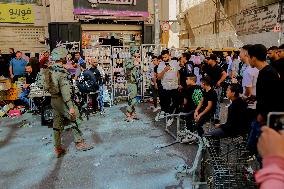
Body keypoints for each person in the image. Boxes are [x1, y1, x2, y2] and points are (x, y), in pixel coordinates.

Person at [43, 47, 93, 158]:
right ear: (62, 57)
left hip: (54, 100)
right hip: (63, 100)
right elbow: (66, 92)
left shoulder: (49, 70)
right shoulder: (62, 72)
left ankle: (57, 147)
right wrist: (70, 106)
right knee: (76, 119)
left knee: (57, 124)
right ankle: (79, 143)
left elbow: (45, 86)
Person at [247, 44, 282, 157]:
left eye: (248, 57)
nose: (248, 60)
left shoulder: (268, 73)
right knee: (253, 148)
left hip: (266, 119)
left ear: (253, 58)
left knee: (261, 152)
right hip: (263, 117)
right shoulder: (265, 71)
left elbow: (274, 97)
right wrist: (253, 98)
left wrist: (262, 115)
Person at [157, 49, 180, 126]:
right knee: (165, 103)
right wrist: (164, 70)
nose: (164, 59)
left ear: (169, 55)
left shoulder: (175, 63)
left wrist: (179, 83)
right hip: (166, 87)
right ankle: (167, 115)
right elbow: (159, 77)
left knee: (176, 102)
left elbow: (177, 73)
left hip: (174, 87)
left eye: (165, 57)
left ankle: (172, 115)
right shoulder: (161, 64)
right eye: (163, 57)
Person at [204, 54, 227, 124]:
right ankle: (210, 117)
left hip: (217, 88)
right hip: (209, 87)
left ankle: (217, 118)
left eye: (209, 59)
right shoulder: (208, 67)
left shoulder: (218, 67)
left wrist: (219, 81)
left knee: (216, 103)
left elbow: (224, 74)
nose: (208, 60)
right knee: (209, 102)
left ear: (213, 60)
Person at [181, 73, 203, 143]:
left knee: (183, 114)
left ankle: (189, 133)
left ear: (192, 80)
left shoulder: (188, 89)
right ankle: (191, 131)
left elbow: (185, 102)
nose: (186, 81)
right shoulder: (199, 87)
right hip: (199, 108)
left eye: (187, 79)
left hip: (191, 109)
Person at [125, 52, 141, 121]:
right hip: (131, 83)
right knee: (133, 99)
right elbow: (127, 67)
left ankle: (133, 113)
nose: (137, 58)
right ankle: (128, 113)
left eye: (138, 56)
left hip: (135, 83)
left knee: (132, 99)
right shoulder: (129, 61)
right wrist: (134, 64)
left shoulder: (136, 61)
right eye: (135, 56)